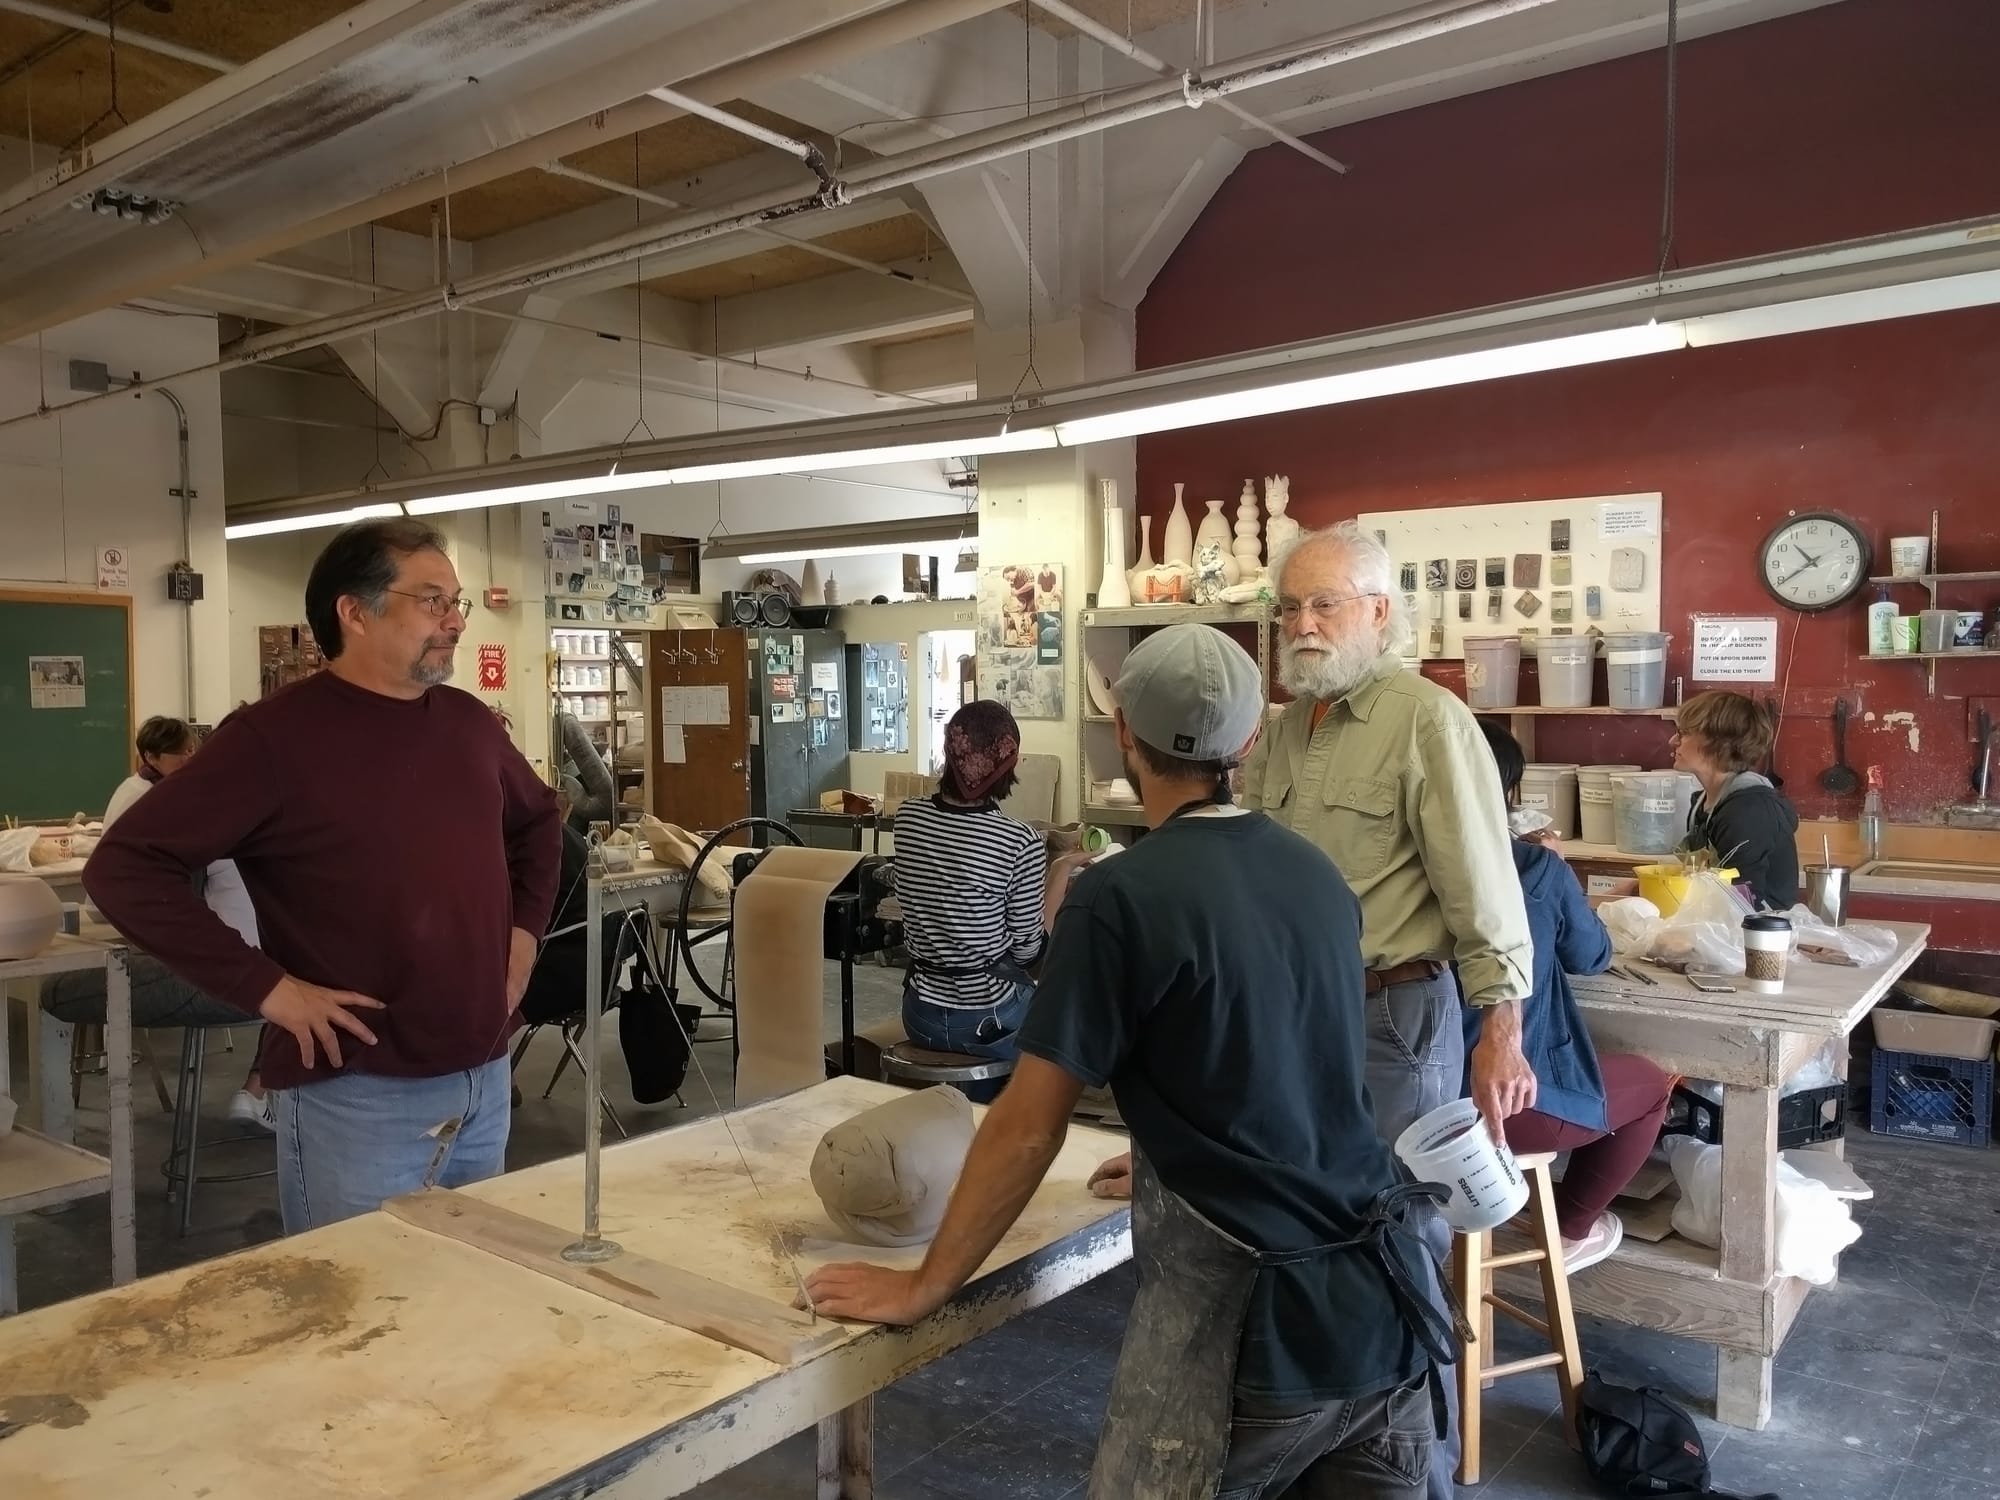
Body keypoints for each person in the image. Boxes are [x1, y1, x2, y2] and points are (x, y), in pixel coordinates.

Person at [807, 625, 1458, 1500]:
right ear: (1253, 740)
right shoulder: (1318, 876)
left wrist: (925, 1284)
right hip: (1385, 1316)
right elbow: (1286, 1066)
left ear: (1123, 732)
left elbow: (1029, 1126)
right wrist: (1166, 1146)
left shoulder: (1119, 896)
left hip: (1251, 1338)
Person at [85, 519, 562, 1233]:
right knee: (360, 1311)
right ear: (354, 611)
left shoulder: (468, 724)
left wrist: (524, 936)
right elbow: (124, 867)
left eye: (456, 602)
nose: (457, 621)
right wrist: (268, 988)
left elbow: (539, 821)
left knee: (470, 1295)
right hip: (357, 1086)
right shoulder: (272, 739)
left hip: (483, 1069)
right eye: (433, 601)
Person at [1239, 520, 1534, 1497]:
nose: (1303, 625)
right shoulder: (1283, 728)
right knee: (1297, 1235)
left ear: (1379, 612)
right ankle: (1320, 1445)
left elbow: (1483, 892)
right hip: (1288, 1024)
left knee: (1394, 1242)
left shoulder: (1425, 721)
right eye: (1289, 608)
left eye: (1323, 604)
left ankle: (1411, 1467)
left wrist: (1500, 1030)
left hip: (1390, 1021)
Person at [1473, 723, 1674, 1271]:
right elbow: (1591, 956)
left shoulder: (1387, 867)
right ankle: (1569, 1230)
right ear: (1507, 793)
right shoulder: (1534, 867)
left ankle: (1504, 1210)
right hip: (1506, 1108)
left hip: (1412, 1108)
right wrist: (1555, 869)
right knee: (1653, 1084)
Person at [50, 715, 274, 1132]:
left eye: (196, 752)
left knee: (301, 987)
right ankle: (261, 1090)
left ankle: (263, 1091)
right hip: (231, 969)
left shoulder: (207, 805)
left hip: (234, 971)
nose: (191, 759)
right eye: (184, 752)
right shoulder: (179, 804)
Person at [891, 702, 1077, 1093]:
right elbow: (1028, 954)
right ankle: (1022, 1120)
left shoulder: (907, 819)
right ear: (1008, 765)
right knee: (1064, 1012)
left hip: (919, 1012)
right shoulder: (1019, 841)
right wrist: (1060, 872)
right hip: (984, 1018)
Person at [1674, 690, 1800, 909]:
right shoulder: (1702, 804)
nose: (1672, 740)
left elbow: (1745, 903)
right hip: (1717, 927)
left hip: (1760, 936)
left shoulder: (1748, 811)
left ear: (1716, 743)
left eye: (1683, 733)